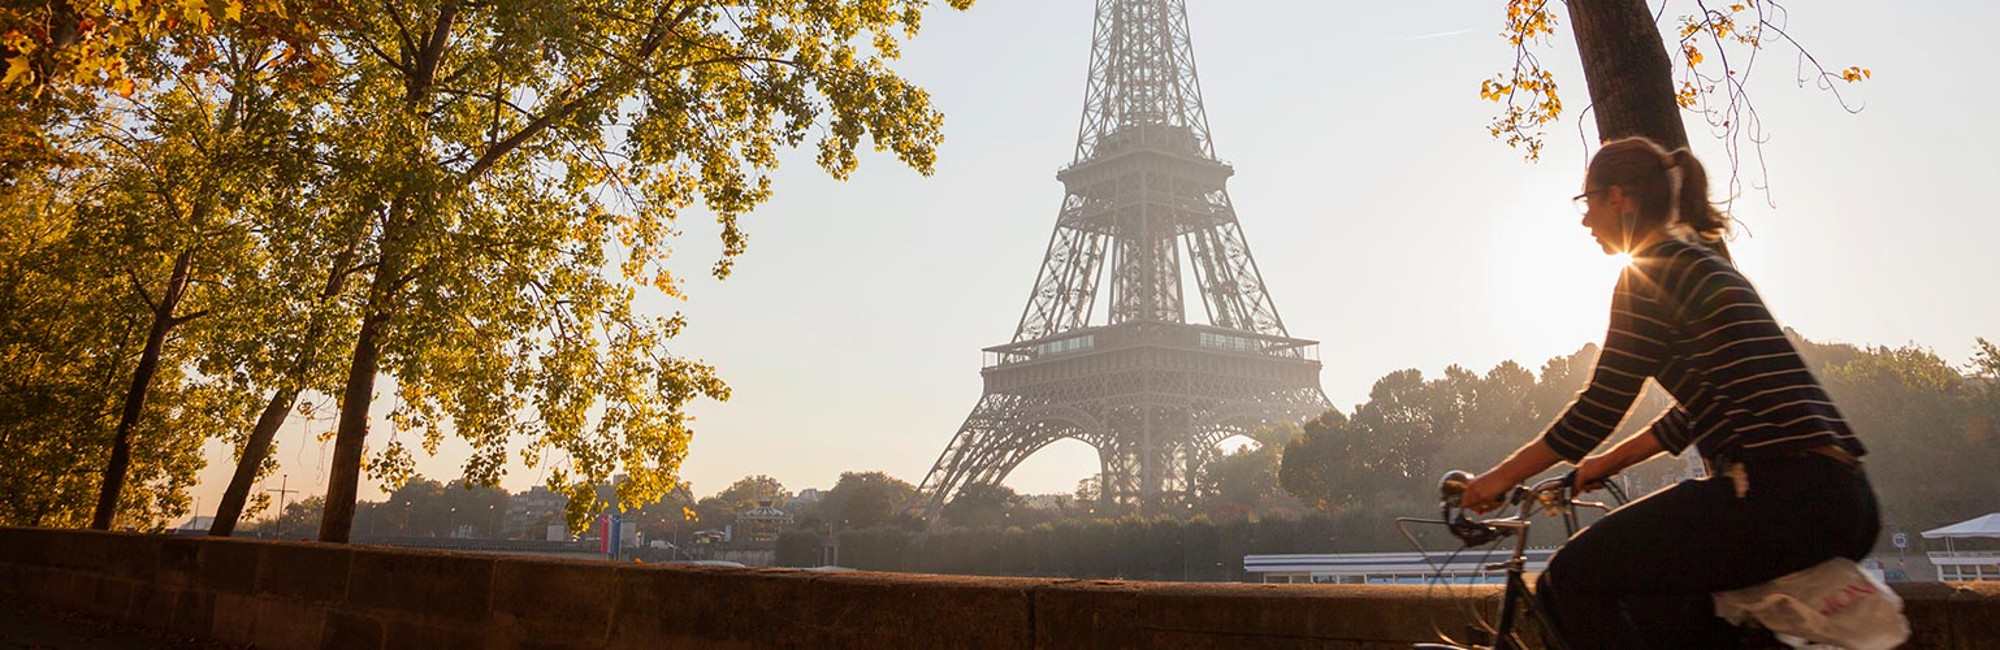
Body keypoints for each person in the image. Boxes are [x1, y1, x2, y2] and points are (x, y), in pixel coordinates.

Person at [1459, 136, 1880, 648]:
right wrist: (1603, 466)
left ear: (1619, 198)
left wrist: (1494, 481)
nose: (1585, 219)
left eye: (1587, 202)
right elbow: (1696, 413)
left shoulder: (1650, 273)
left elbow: (1596, 408)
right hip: (1843, 498)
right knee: (1671, 611)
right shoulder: (1700, 263)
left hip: (1779, 493)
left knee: (1572, 578)